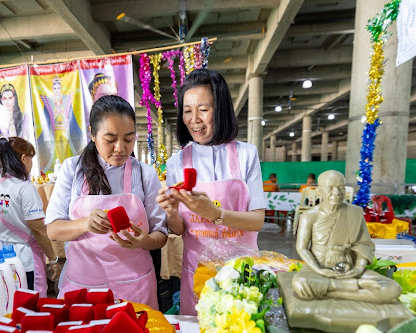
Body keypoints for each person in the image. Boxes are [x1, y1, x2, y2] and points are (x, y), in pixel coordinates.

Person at [156, 69, 266, 315]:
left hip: (240, 270)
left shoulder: (246, 155)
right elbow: (179, 230)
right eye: (187, 111)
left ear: (221, 109)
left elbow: (257, 220)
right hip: (197, 272)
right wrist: (171, 213)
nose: (194, 119)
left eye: (203, 109)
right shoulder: (176, 163)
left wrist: (215, 214)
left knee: (240, 330)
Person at [45, 95, 167, 309]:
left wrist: (144, 241)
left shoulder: (144, 174)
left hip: (135, 285)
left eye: (128, 139)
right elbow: (53, 230)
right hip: (84, 286)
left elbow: (161, 235)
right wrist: (85, 223)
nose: (120, 148)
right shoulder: (72, 169)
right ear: (92, 134)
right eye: (110, 140)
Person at [292, 170, 401, 302]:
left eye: (341, 187)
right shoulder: (309, 216)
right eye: (330, 188)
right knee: (300, 283)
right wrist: (318, 270)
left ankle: (332, 291)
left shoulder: (355, 212)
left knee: (392, 289)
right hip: (318, 268)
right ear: (320, 190)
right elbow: (302, 248)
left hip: (349, 268)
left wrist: (359, 268)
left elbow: (364, 244)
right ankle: (352, 286)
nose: (337, 192)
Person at [0, 137, 58, 296]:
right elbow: (38, 229)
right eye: (31, 158)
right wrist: (53, 259)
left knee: (9, 300)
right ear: (24, 158)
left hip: (1, 257)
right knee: (30, 301)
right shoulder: (24, 188)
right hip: (25, 258)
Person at [39, 76, 84, 171]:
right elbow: (47, 116)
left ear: (61, 88)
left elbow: (70, 114)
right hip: (55, 129)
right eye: (55, 88)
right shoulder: (49, 100)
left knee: (66, 147)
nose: (56, 90)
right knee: (58, 148)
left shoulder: (66, 99)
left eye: (58, 88)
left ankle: (68, 168)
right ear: (52, 89)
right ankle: (60, 167)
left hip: (65, 128)